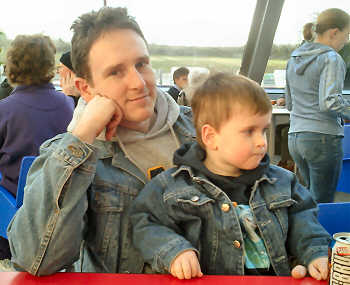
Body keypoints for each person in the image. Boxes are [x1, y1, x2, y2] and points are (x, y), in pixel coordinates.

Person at [6, 7, 195, 275]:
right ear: (86, 88)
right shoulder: (70, 152)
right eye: (116, 72)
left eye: (142, 64)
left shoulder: (202, 130)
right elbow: (35, 259)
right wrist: (82, 137)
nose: (138, 83)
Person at [130, 73, 330, 280]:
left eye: (263, 130)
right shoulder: (172, 187)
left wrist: (313, 254)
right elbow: (145, 222)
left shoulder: (284, 182)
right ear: (210, 136)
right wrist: (174, 250)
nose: (262, 142)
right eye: (249, 131)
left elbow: (304, 222)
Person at [0, 34, 74, 260]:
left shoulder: (4, 109)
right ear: (48, 66)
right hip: (61, 208)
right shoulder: (68, 104)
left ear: (12, 65)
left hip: (12, 214)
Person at [286, 8, 350, 203]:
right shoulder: (331, 58)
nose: (346, 41)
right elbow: (329, 101)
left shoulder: (294, 57)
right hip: (323, 138)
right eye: (347, 35)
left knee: (309, 199)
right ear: (334, 32)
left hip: (296, 138)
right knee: (323, 202)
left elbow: (289, 102)